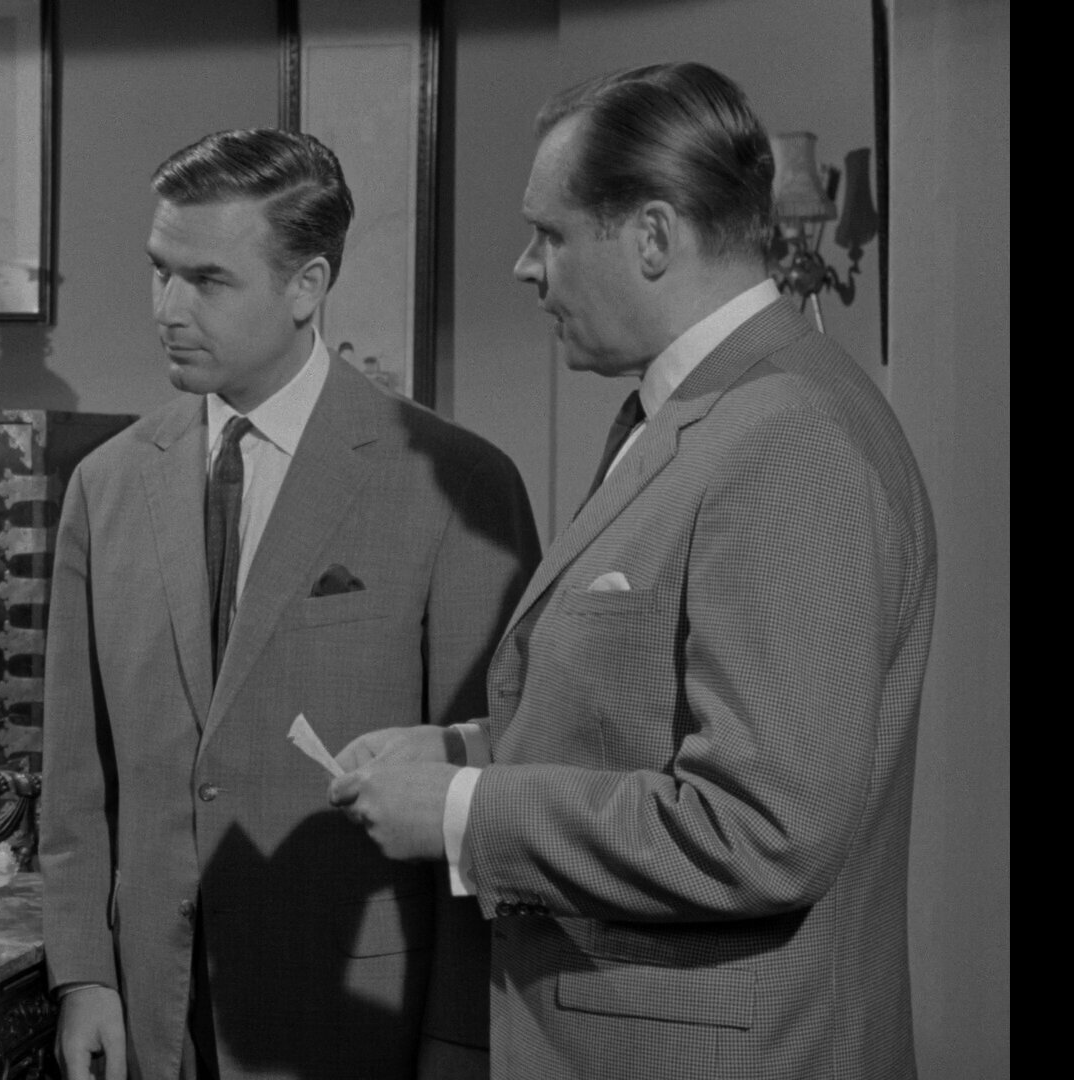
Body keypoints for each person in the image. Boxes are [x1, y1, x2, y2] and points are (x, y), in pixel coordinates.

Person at [330, 63, 937, 1079]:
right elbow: (643, 710)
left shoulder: (789, 436)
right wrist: (463, 749)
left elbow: (765, 828)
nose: (526, 268)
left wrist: (463, 813)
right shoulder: (694, 412)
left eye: (551, 234)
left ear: (653, 236)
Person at [41, 128, 539, 1080]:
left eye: (207, 281)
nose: (168, 309)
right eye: (159, 272)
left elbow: (493, 791)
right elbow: (76, 776)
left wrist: (462, 1041)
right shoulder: (105, 486)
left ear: (306, 286)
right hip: (153, 1016)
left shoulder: (457, 487)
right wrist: (85, 974)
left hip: (356, 1021)